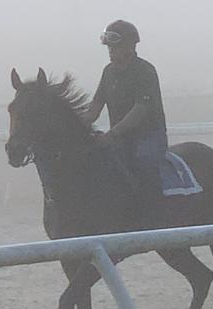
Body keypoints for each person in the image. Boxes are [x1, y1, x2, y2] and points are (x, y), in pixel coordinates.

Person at [81, 19, 168, 198]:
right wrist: (76, 124)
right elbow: (95, 106)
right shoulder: (108, 72)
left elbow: (140, 109)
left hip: (149, 136)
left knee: (144, 162)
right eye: (109, 48)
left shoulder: (145, 71)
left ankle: (155, 209)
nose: (111, 51)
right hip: (120, 138)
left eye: (116, 47)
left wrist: (112, 134)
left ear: (130, 46)